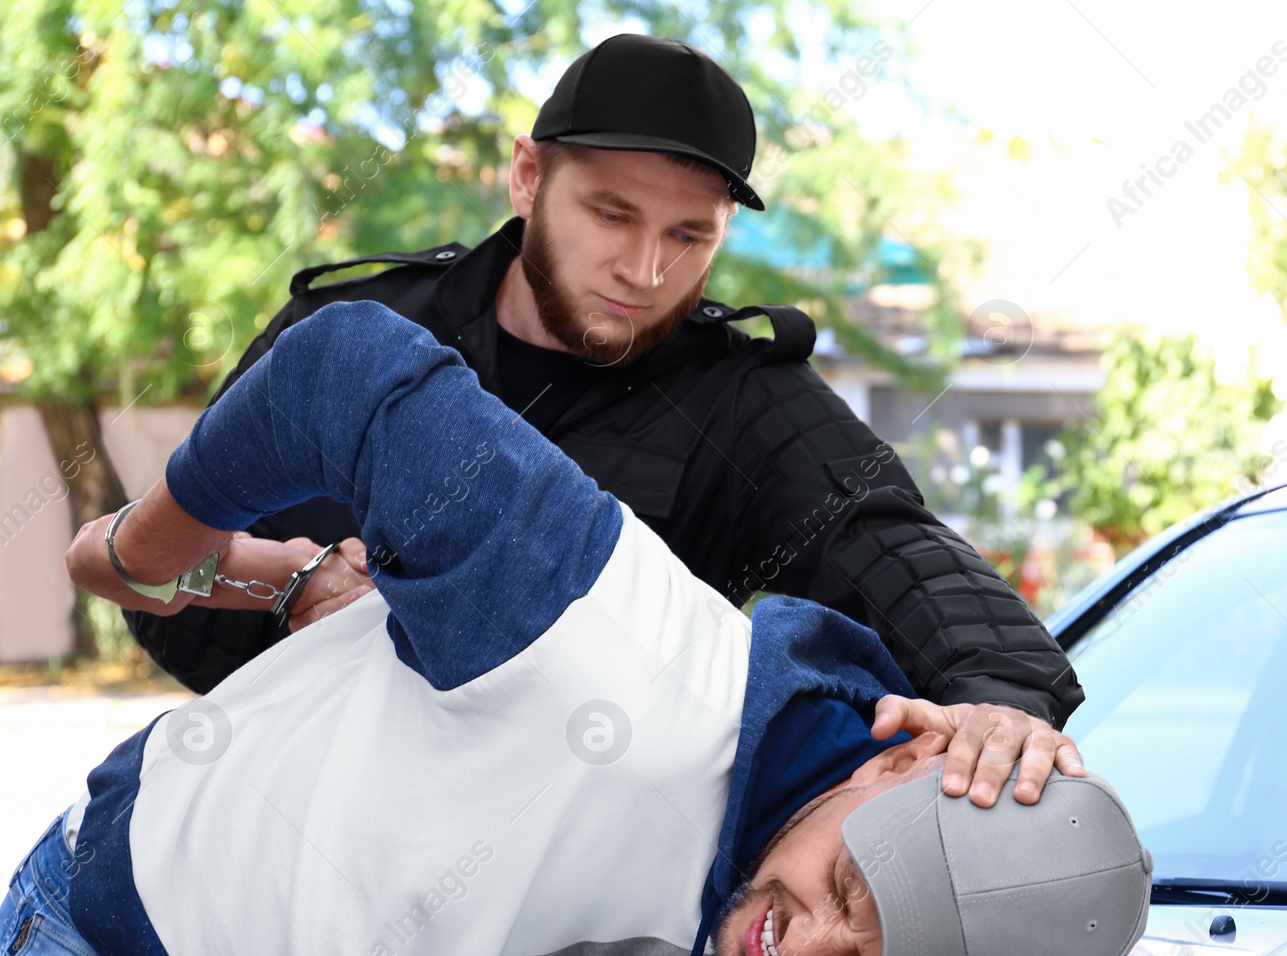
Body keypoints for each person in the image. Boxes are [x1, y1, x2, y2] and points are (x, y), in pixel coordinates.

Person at [3, 301, 1152, 956]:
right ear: (900, 755)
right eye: (845, 891)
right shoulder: (618, 645)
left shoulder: (787, 832)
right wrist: (146, 551)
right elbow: (343, 368)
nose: (803, 953)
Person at [122, 32, 1089, 764]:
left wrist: (1001, 701)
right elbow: (155, 569)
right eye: (612, 213)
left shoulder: (742, 398)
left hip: (543, 912)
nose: (643, 267)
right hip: (268, 836)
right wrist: (292, 602)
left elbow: (895, 547)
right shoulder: (352, 336)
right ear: (528, 176)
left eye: (688, 236)